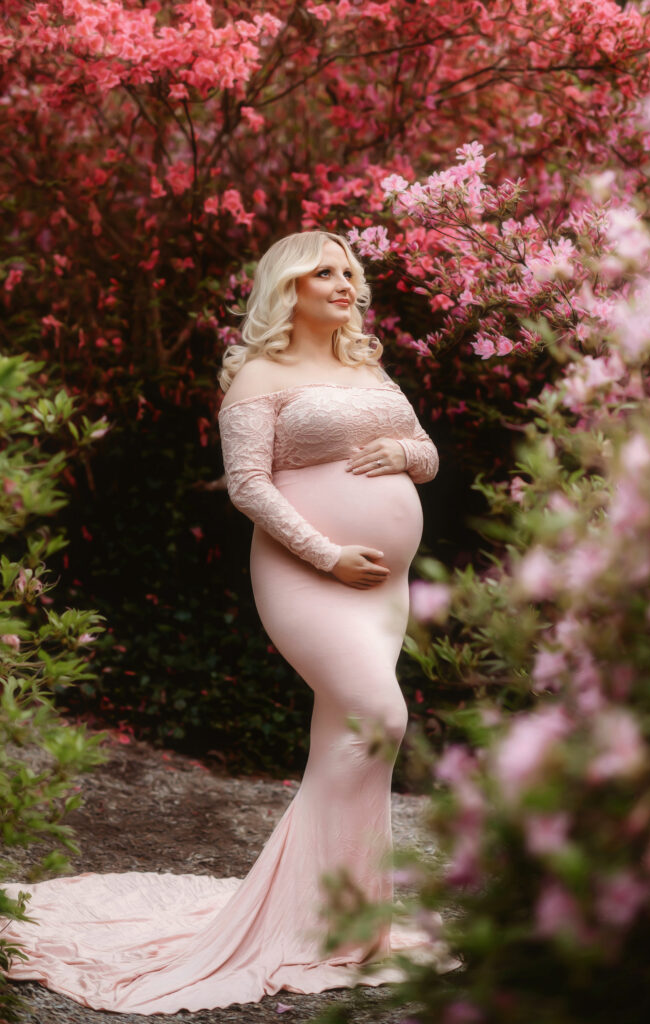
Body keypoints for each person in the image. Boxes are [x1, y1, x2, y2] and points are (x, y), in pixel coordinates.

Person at [0, 230, 439, 1014]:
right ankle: (291, 920)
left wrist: (402, 453)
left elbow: (428, 452)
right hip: (310, 572)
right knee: (378, 717)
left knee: (345, 732)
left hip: (383, 582)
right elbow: (248, 488)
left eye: (349, 270)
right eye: (325, 272)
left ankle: (343, 919)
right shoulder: (257, 375)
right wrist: (327, 553)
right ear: (289, 288)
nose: (346, 283)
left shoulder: (364, 363)